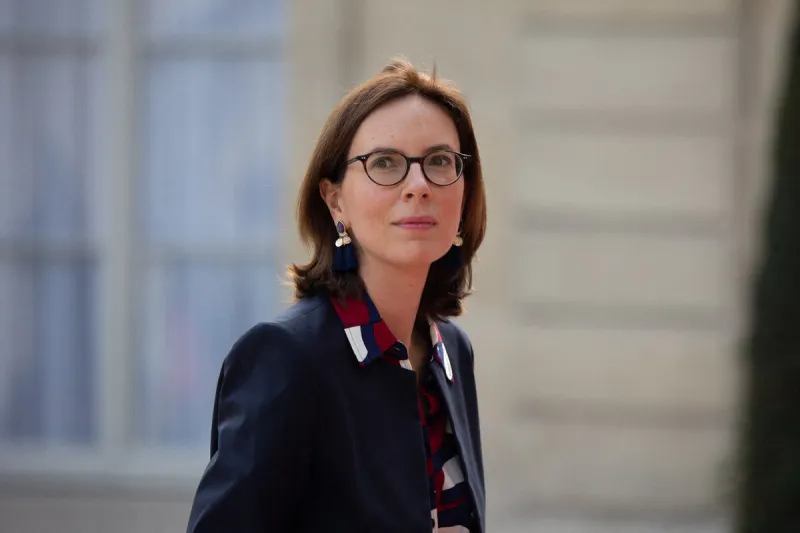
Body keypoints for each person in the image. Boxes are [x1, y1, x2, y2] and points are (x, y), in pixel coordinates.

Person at [186, 58, 487, 533]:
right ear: (335, 201)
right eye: (385, 163)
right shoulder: (286, 357)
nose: (418, 186)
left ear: (465, 193)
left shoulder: (452, 352)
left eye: (439, 162)